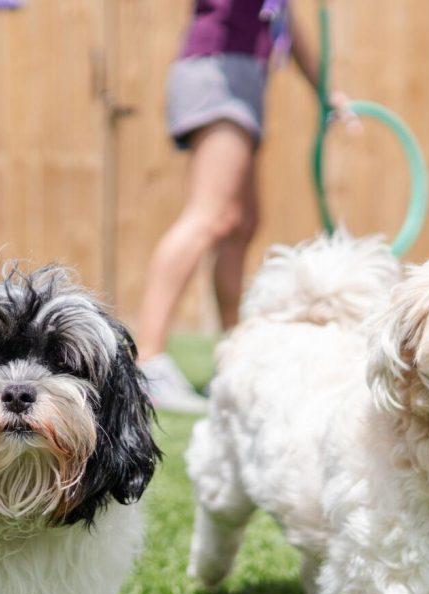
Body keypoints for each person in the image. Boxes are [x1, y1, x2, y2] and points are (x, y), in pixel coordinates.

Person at [136, 0, 351, 413]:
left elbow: (288, 21)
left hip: (244, 77)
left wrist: (325, 91)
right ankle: (147, 361)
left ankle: (232, 355)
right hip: (218, 72)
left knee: (240, 222)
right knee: (208, 216)